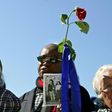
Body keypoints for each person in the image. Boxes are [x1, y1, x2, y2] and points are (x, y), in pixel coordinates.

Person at [19, 43, 93, 112]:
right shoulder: (22, 100)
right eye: (42, 59)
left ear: (64, 65)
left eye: (53, 60)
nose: (45, 63)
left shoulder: (77, 94)